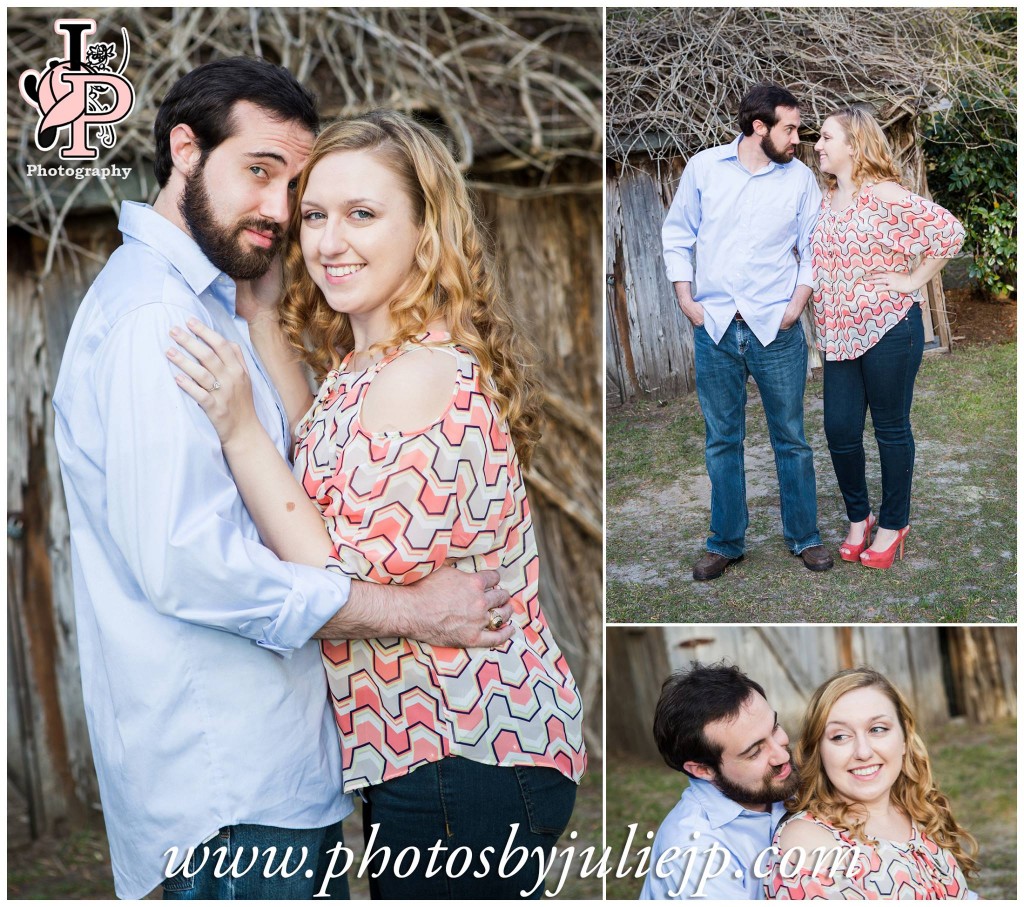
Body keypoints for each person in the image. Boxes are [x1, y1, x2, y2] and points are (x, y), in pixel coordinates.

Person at [52, 59, 516, 901]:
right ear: (185, 151)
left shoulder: (214, 306)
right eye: (259, 171)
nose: (279, 211)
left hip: (278, 775)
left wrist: (262, 323)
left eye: (292, 186)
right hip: (232, 786)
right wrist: (413, 611)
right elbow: (191, 562)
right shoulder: (158, 319)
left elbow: (315, 477)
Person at [168, 109, 586, 899]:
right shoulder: (373, 363)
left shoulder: (417, 378)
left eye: (363, 214)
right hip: (438, 753)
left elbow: (327, 569)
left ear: (426, 231)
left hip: (464, 755)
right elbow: (316, 450)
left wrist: (235, 425)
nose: (330, 241)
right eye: (317, 215)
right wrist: (261, 320)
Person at [663, 82, 833, 581]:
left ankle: (805, 537)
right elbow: (677, 234)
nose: (797, 137)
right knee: (722, 440)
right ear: (758, 127)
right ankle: (726, 542)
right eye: (789, 128)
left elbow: (812, 250)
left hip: (776, 329)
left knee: (792, 439)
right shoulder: (704, 169)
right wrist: (685, 299)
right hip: (714, 327)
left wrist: (793, 308)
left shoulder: (799, 180)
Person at [811, 107, 965, 569]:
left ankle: (894, 523)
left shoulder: (886, 196)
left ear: (854, 145)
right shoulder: (826, 199)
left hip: (889, 328)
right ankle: (860, 518)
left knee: (890, 427)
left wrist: (910, 280)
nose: (816, 145)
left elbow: (949, 233)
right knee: (839, 429)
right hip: (838, 337)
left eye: (825, 137)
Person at [765, 668, 977, 898]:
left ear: (904, 738)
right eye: (840, 736)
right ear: (819, 752)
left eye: (877, 729)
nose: (863, 752)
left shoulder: (921, 810)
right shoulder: (809, 844)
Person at [640, 663, 798, 899]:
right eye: (755, 752)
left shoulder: (781, 782)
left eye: (775, 728)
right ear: (703, 769)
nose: (783, 755)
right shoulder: (694, 852)